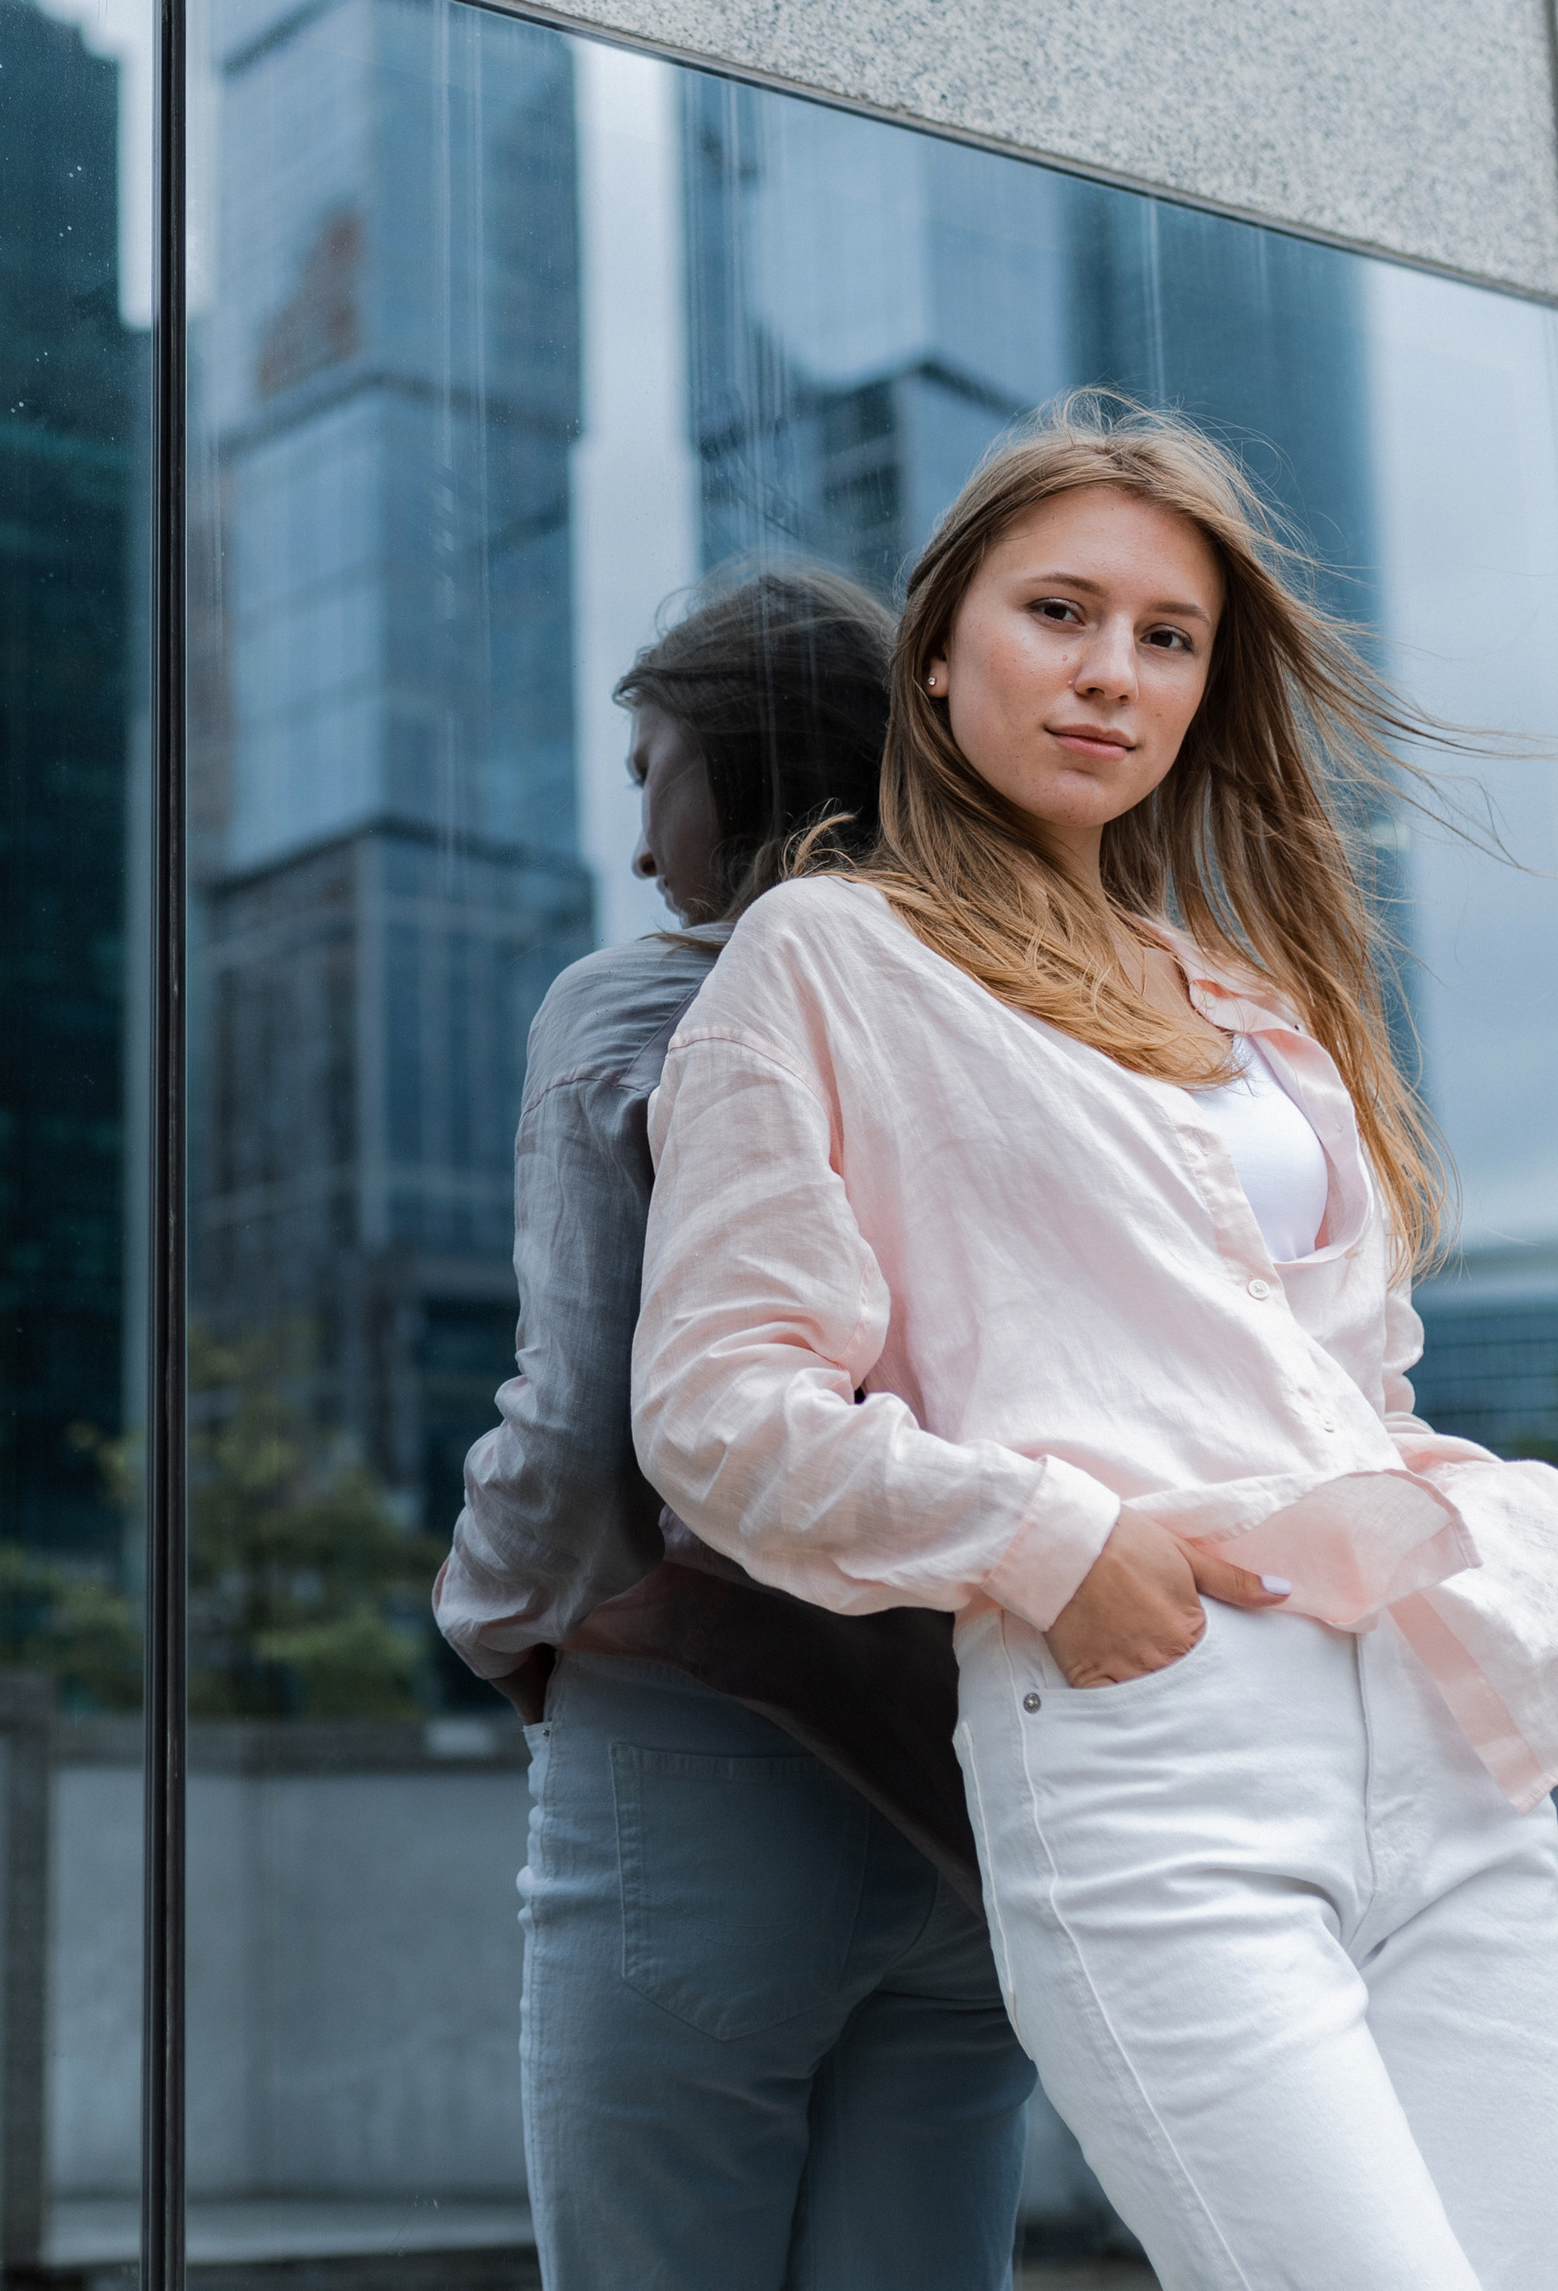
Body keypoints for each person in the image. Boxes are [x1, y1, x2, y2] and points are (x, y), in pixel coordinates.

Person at [632, 395, 1558, 2291]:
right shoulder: (829, 957)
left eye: (1168, 639)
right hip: (1162, 1740)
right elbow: (719, 1409)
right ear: (943, 640)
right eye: (1059, 613)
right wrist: (1067, 1547)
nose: (1111, 676)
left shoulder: (1260, 995)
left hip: (1454, 1733)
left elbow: (1348, 1385)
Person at [438, 567, 1036, 2291]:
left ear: (747, 764)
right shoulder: (1011, 1009)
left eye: (653, 770)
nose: (640, 839)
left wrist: (500, 1627)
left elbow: (581, 1423)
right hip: (976, 1766)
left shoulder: (636, 1008)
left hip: (701, 1753)